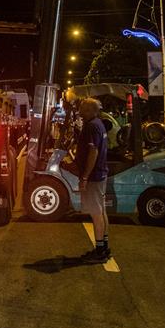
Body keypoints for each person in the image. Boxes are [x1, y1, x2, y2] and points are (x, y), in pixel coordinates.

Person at [76, 98, 111, 263]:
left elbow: (93, 152)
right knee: (102, 212)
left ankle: (99, 252)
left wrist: (84, 177)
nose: (79, 110)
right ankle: (104, 247)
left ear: (90, 110)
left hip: (94, 176)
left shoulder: (91, 126)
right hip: (100, 174)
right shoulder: (99, 124)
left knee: (96, 214)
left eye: (82, 108)